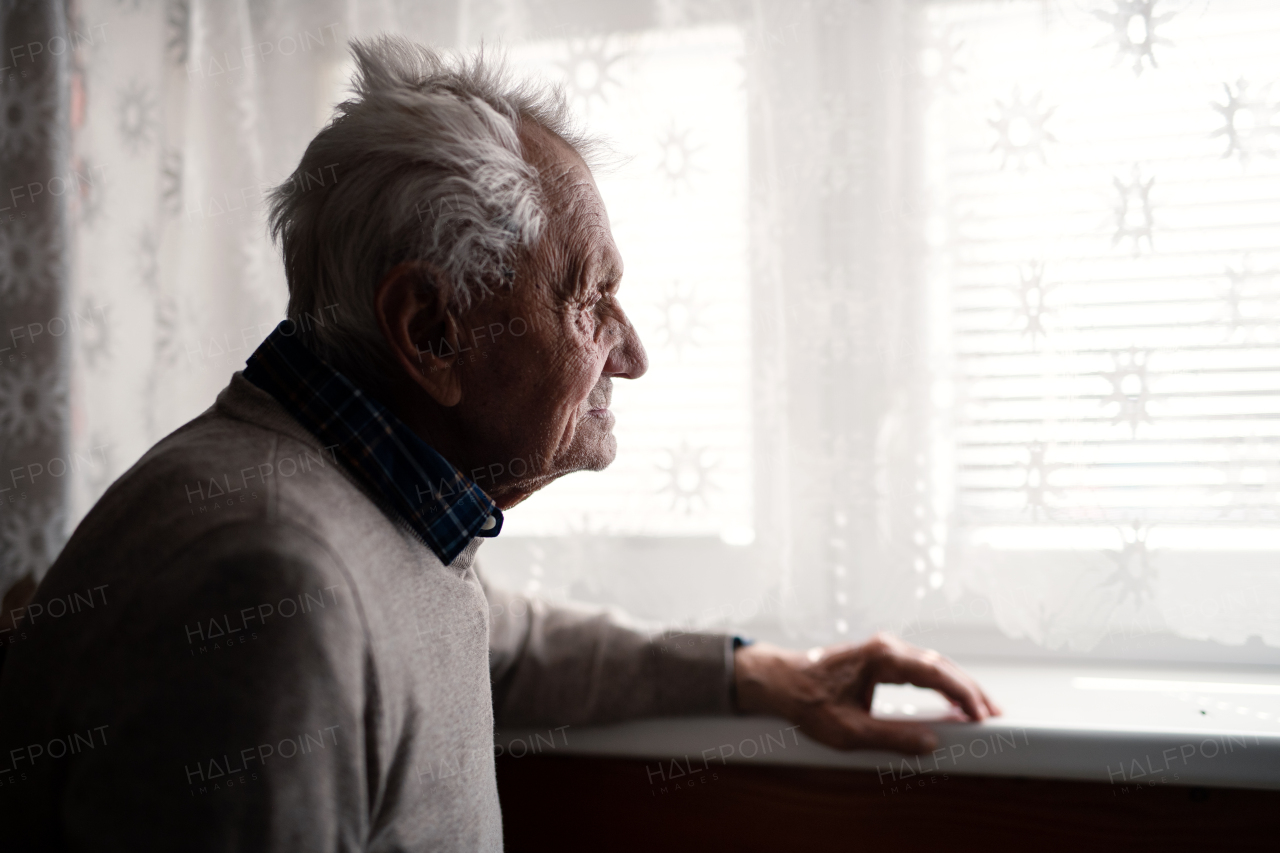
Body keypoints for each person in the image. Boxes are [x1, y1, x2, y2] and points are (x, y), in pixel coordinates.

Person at [0, 36, 998, 851]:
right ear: (431, 330)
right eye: (588, 300)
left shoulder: (363, 509)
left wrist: (753, 670)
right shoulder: (266, 586)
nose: (633, 353)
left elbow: (489, 634)